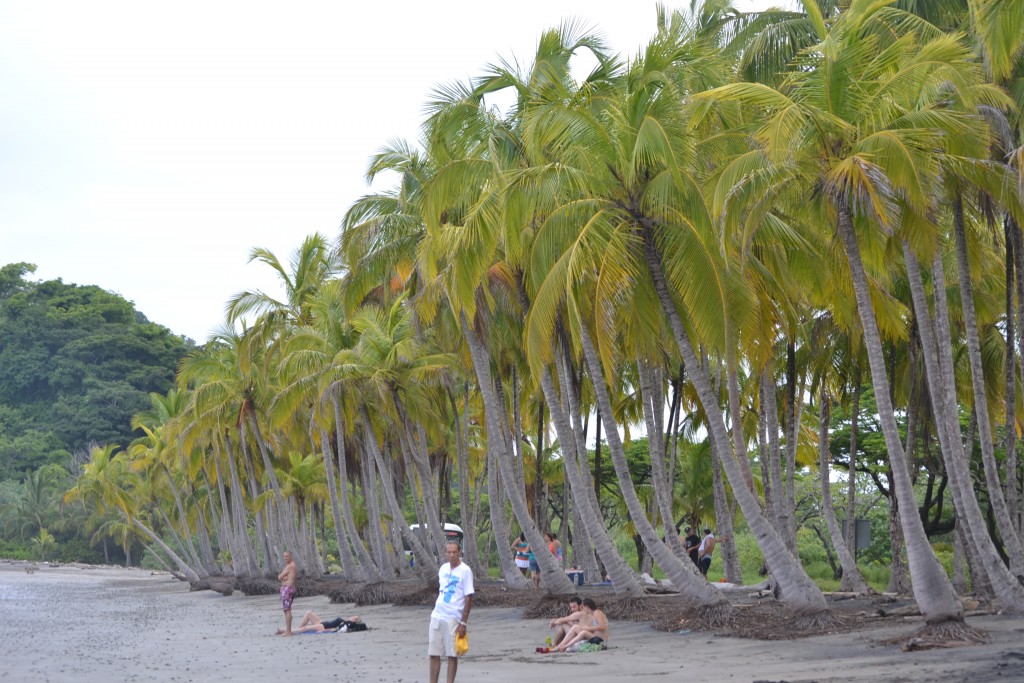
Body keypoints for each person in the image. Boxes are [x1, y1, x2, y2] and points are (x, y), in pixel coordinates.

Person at [428, 541, 474, 683]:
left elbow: (468, 597)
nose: (452, 555)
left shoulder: (465, 571)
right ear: (445, 553)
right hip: (437, 614)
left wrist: (463, 622)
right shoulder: (443, 569)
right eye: (449, 552)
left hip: (453, 617)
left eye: (454, 552)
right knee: (434, 654)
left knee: (451, 655)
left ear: (459, 552)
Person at [277, 610, 364, 635]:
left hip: (323, 627)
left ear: (354, 621)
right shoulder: (345, 622)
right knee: (308, 613)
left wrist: (323, 631)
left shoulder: (346, 625)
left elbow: (335, 629)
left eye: (354, 617)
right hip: (322, 622)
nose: (353, 616)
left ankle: (287, 631)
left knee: (305, 628)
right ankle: (297, 629)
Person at [277, 551, 298, 636]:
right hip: (289, 588)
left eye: (287, 556)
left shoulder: (290, 566)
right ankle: (287, 630)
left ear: (291, 556)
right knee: (287, 610)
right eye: (284, 557)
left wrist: (283, 578)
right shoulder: (292, 566)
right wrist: (285, 578)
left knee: (287, 610)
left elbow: (279, 577)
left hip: (287, 589)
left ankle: (288, 631)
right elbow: (284, 577)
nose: (285, 558)